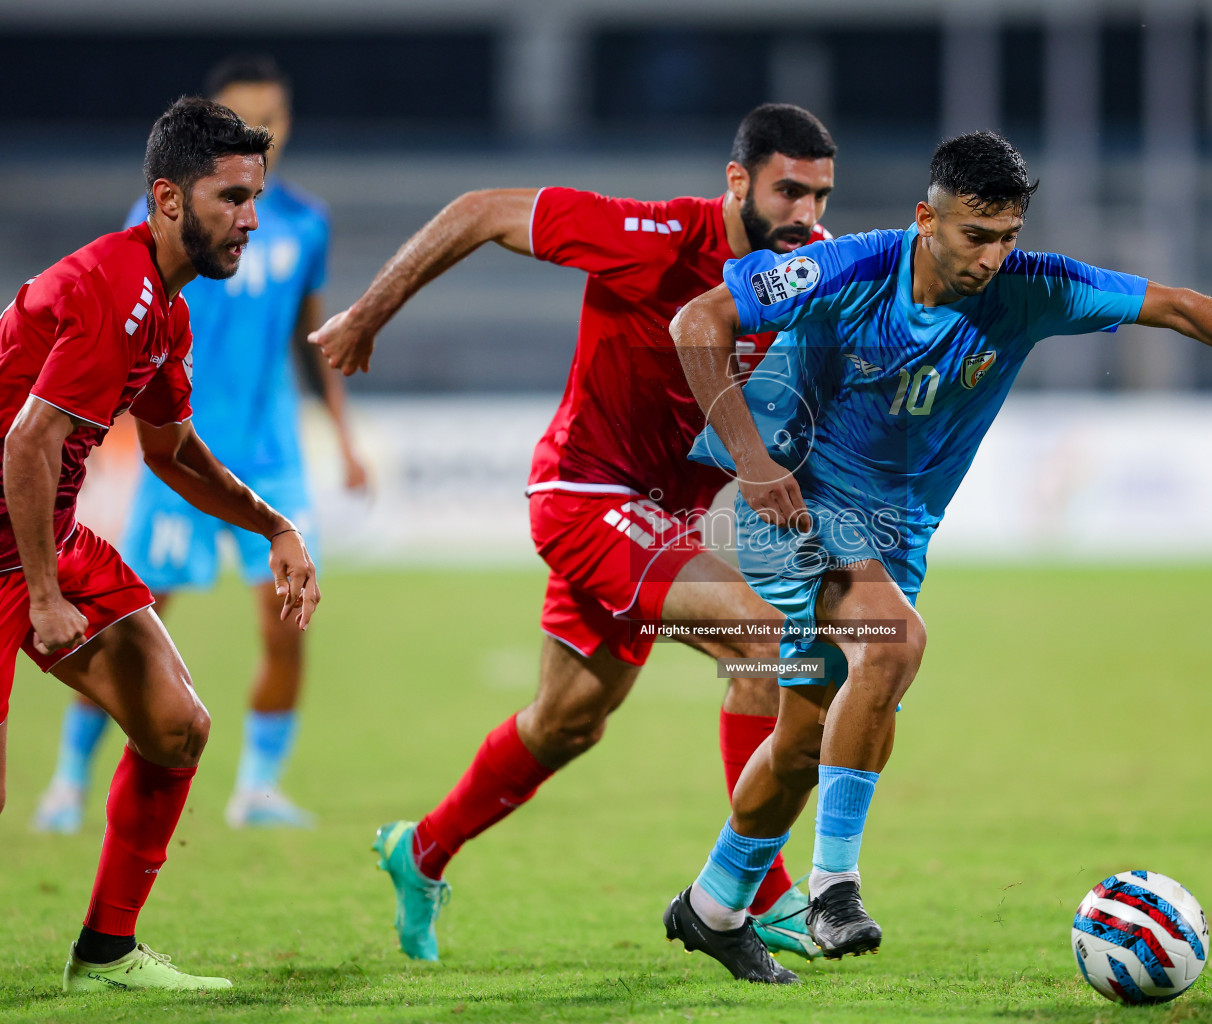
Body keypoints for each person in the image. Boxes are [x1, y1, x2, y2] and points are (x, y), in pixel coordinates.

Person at [662, 130, 1212, 983]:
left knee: (806, 739)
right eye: (975, 237)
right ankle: (832, 890)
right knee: (897, 643)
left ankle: (711, 906)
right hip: (795, 497)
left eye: (1008, 237)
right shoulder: (848, 267)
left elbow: (1174, 304)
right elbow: (697, 321)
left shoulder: (1034, 291)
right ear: (928, 219)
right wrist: (756, 461)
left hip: (897, 532)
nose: (993, 258)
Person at [309, 104, 834, 973]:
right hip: (586, 496)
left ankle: (422, 852)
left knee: (567, 721)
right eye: (788, 191)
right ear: (737, 181)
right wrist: (368, 314)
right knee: (775, 643)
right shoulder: (653, 235)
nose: (806, 215)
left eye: (819, 195)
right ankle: (759, 896)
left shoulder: (805, 268)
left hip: (659, 519)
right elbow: (480, 209)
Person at [0, 96, 320, 992]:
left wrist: (277, 527)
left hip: (39, 536)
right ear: (168, 200)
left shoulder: (166, 312)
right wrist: (45, 592)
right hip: (23, 548)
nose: (250, 220)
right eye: (230, 198)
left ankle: (104, 954)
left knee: (176, 728)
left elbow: (171, 454)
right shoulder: (113, 288)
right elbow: (27, 443)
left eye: (254, 198)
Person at [32, 54, 364, 835]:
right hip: (175, 451)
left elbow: (309, 338)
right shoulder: (160, 224)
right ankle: (70, 779)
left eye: (277, 116)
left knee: (288, 627)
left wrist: (343, 437)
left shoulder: (304, 223)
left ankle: (257, 788)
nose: (270, 131)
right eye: (253, 116)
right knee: (129, 630)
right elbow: (111, 337)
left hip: (271, 454)